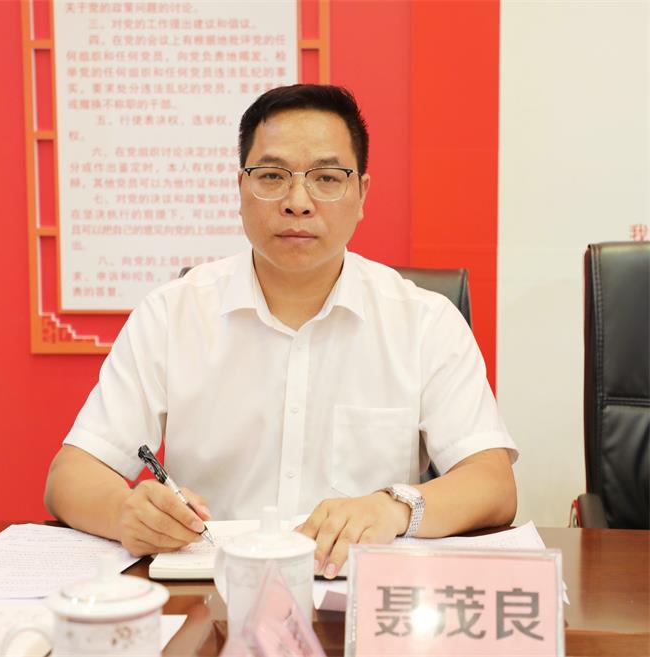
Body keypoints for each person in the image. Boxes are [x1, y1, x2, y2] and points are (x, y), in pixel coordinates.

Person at [45, 84, 518, 578]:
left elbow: (493, 484)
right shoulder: (172, 314)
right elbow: (70, 475)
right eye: (272, 176)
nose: (297, 202)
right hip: (212, 589)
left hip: (360, 592)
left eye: (327, 178)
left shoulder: (425, 322)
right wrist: (127, 513)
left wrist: (394, 507)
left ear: (362, 194)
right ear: (241, 189)